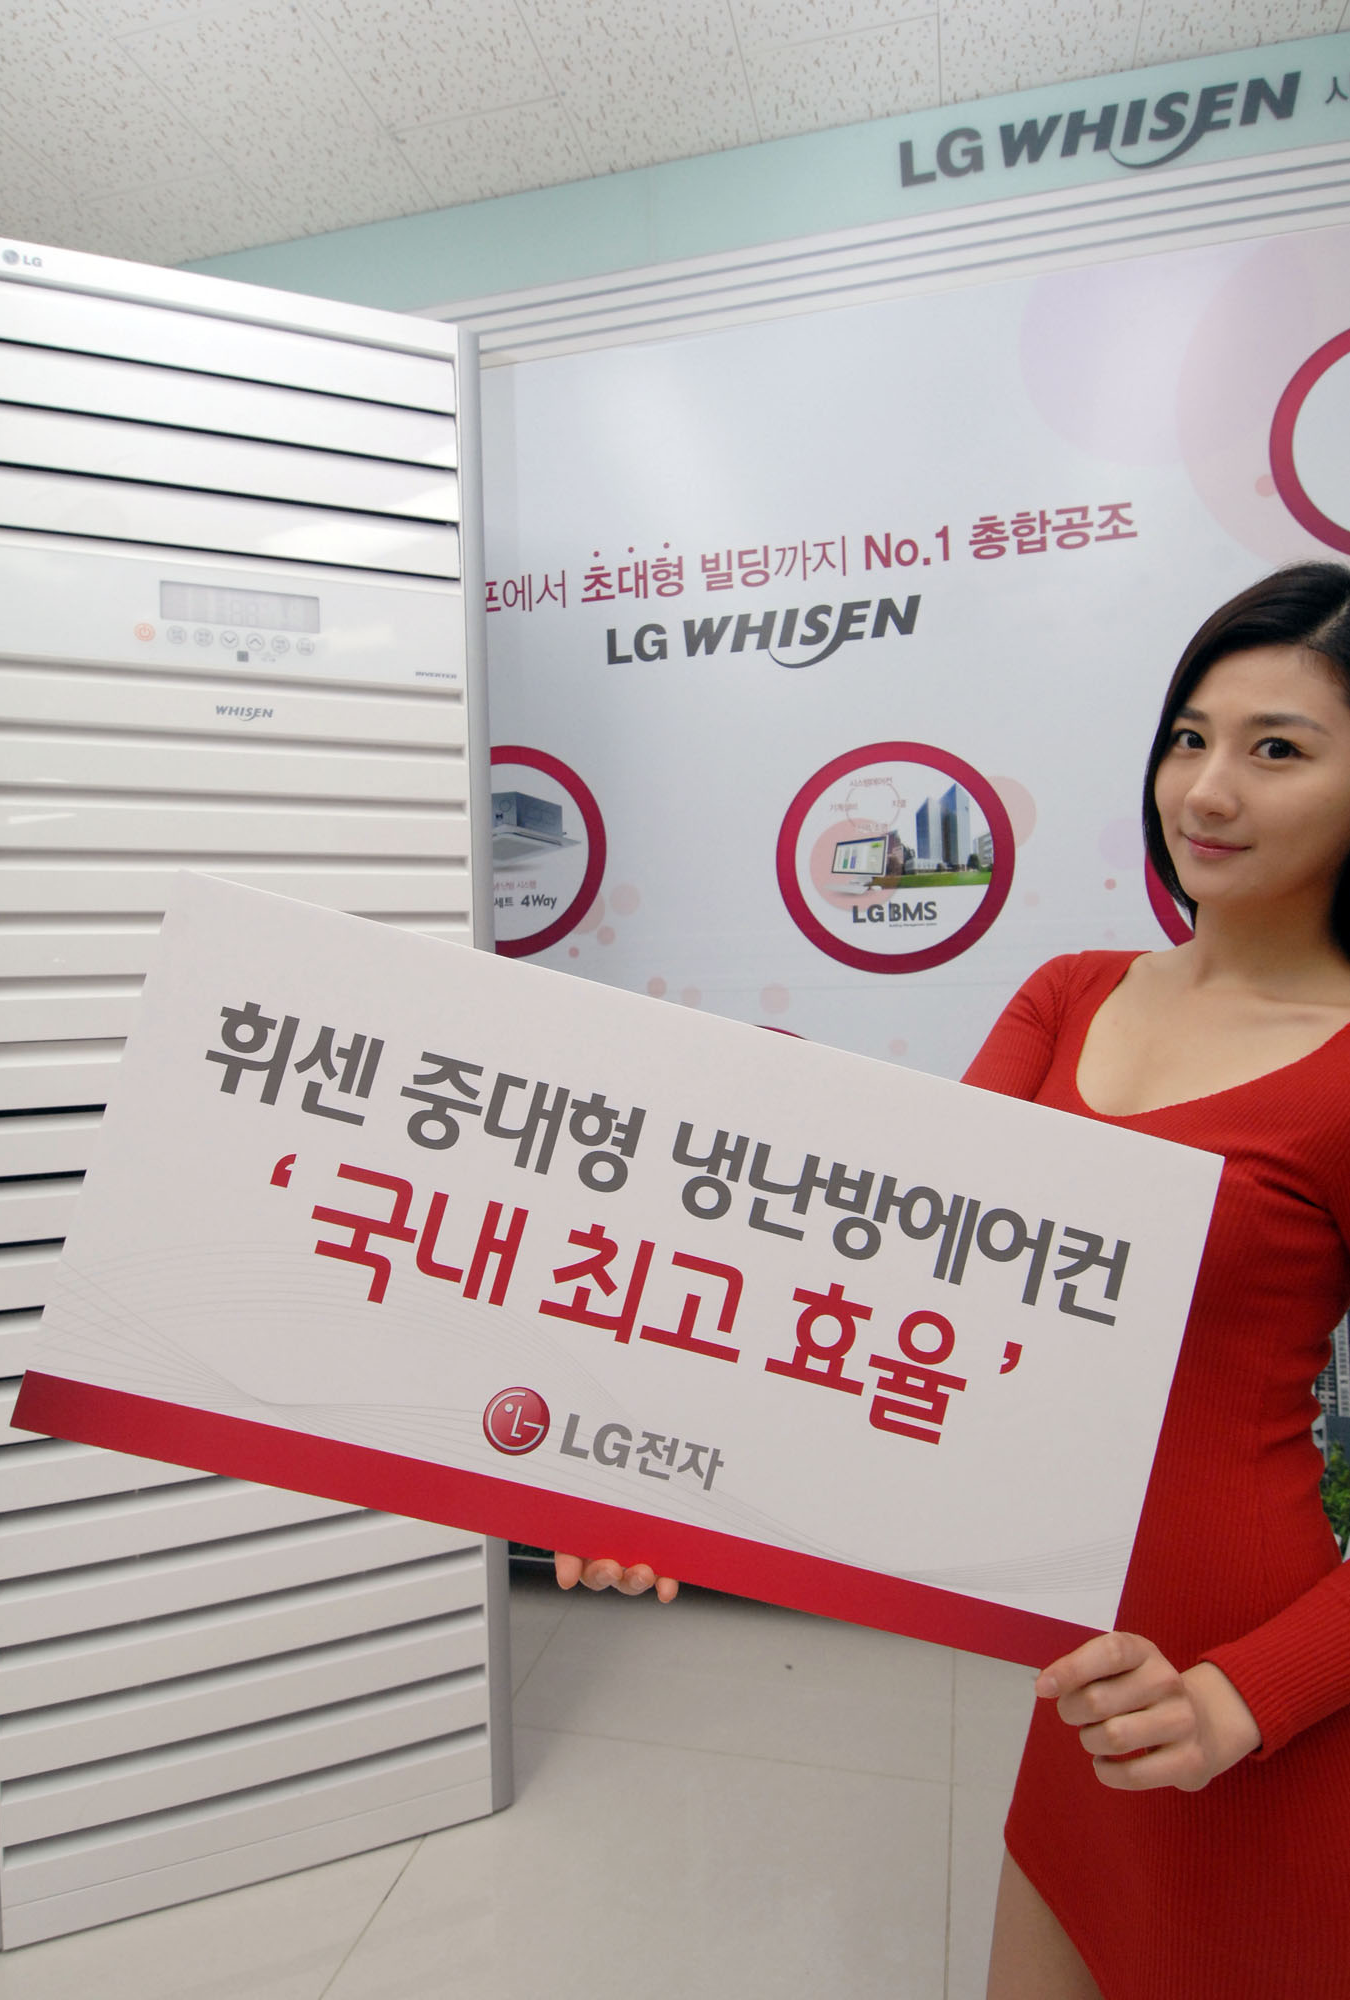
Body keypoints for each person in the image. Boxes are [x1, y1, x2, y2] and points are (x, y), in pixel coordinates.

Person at [557, 561, 1350, 1999]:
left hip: (1257, 1707)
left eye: (1274, 750)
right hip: (1083, 1690)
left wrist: (1248, 1696)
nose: (1205, 792)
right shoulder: (1065, 994)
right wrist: (669, 1482)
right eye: (1188, 736)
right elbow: (887, 1305)